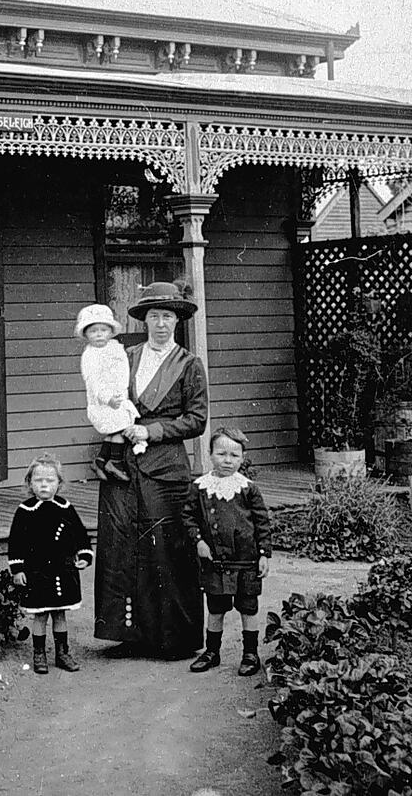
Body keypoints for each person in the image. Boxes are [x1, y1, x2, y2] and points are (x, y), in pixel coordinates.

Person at [93, 279, 207, 659]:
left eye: (168, 316)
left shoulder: (189, 364)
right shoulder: (124, 357)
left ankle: (173, 639)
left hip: (166, 469)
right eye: (155, 316)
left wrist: (153, 429)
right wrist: (106, 453)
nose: (161, 323)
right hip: (124, 465)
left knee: (167, 550)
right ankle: (131, 635)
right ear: (144, 320)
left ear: (177, 321)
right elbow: (109, 407)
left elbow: (197, 420)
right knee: (123, 546)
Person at [182, 426, 272, 675]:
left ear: (242, 458)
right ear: (210, 454)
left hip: (246, 562)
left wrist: (264, 554)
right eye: (221, 454)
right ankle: (212, 652)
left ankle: (251, 654)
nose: (227, 460)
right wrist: (199, 541)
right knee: (216, 608)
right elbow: (187, 518)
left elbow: (262, 522)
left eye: (234, 455)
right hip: (216, 562)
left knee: (248, 607)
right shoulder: (200, 487)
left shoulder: (248, 488)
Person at [8, 452, 94, 674]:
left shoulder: (65, 508)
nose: (44, 485)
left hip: (62, 570)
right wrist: (17, 569)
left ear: (59, 483)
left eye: (50, 480)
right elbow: (16, 542)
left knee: (59, 613)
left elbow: (80, 534)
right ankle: (39, 654)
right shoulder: (25, 511)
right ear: (29, 483)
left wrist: (84, 555)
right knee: (40, 613)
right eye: (38, 480)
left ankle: (62, 653)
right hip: (38, 573)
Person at [75, 303, 139, 483]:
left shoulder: (114, 347)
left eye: (103, 330)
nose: (99, 334)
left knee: (113, 432)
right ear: (86, 335)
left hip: (119, 395)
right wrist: (108, 398)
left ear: (110, 332)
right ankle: (115, 463)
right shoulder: (91, 355)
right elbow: (94, 382)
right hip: (105, 401)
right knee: (120, 429)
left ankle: (101, 460)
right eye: (93, 331)